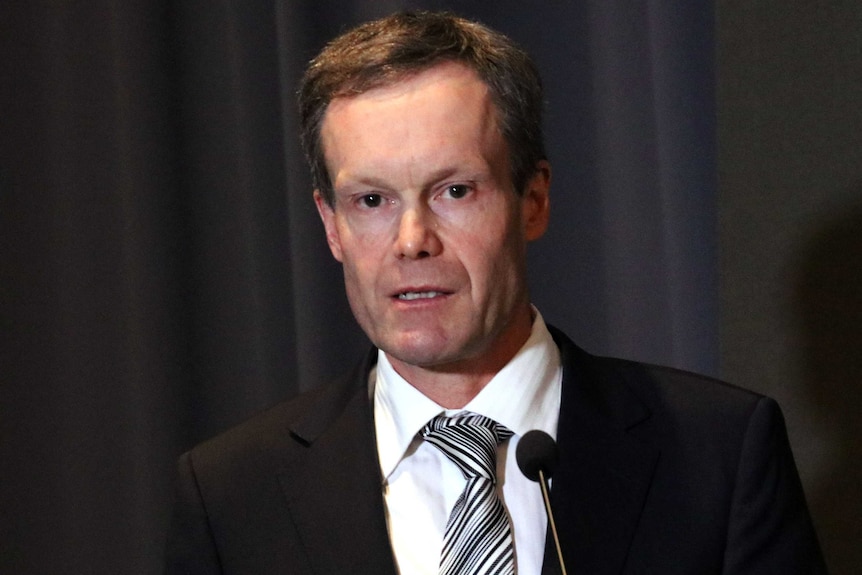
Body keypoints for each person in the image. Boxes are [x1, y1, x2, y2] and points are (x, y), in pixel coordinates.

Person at [164, 11, 826, 574]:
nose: (412, 240)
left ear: (532, 200)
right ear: (331, 226)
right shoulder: (232, 494)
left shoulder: (720, 454)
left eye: (454, 191)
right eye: (371, 200)